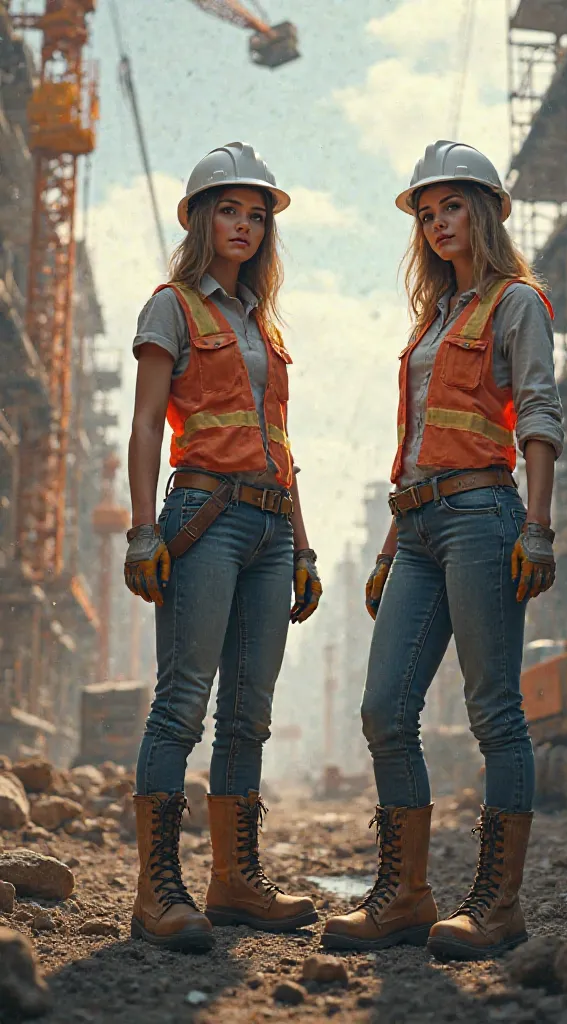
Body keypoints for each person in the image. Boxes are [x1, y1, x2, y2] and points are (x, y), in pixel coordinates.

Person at [322, 141, 563, 959]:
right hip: (418, 527)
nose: (436, 224)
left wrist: (539, 525)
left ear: (485, 211)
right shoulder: (433, 320)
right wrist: (390, 547)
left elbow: (537, 412)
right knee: (384, 709)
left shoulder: (517, 303)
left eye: (451, 207)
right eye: (426, 215)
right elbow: (415, 441)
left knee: (494, 712)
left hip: (483, 517)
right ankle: (405, 895)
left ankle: (498, 907)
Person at [124, 142, 321, 952]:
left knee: (249, 716)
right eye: (230, 210)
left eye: (257, 214)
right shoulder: (171, 306)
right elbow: (142, 426)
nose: (245, 225)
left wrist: (304, 548)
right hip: (202, 519)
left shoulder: (264, 328)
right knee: (181, 706)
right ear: (202, 219)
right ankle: (156, 892)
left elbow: (280, 438)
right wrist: (142, 530)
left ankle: (235, 883)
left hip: (272, 528)